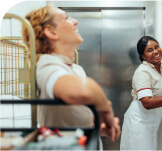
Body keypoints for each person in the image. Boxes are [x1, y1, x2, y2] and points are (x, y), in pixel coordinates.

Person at [22, 5, 120, 142]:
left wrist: (97, 127)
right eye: (66, 18)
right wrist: (106, 109)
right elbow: (84, 90)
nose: (75, 21)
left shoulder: (76, 69)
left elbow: (77, 116)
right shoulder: (45, 65)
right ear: (51, 32)